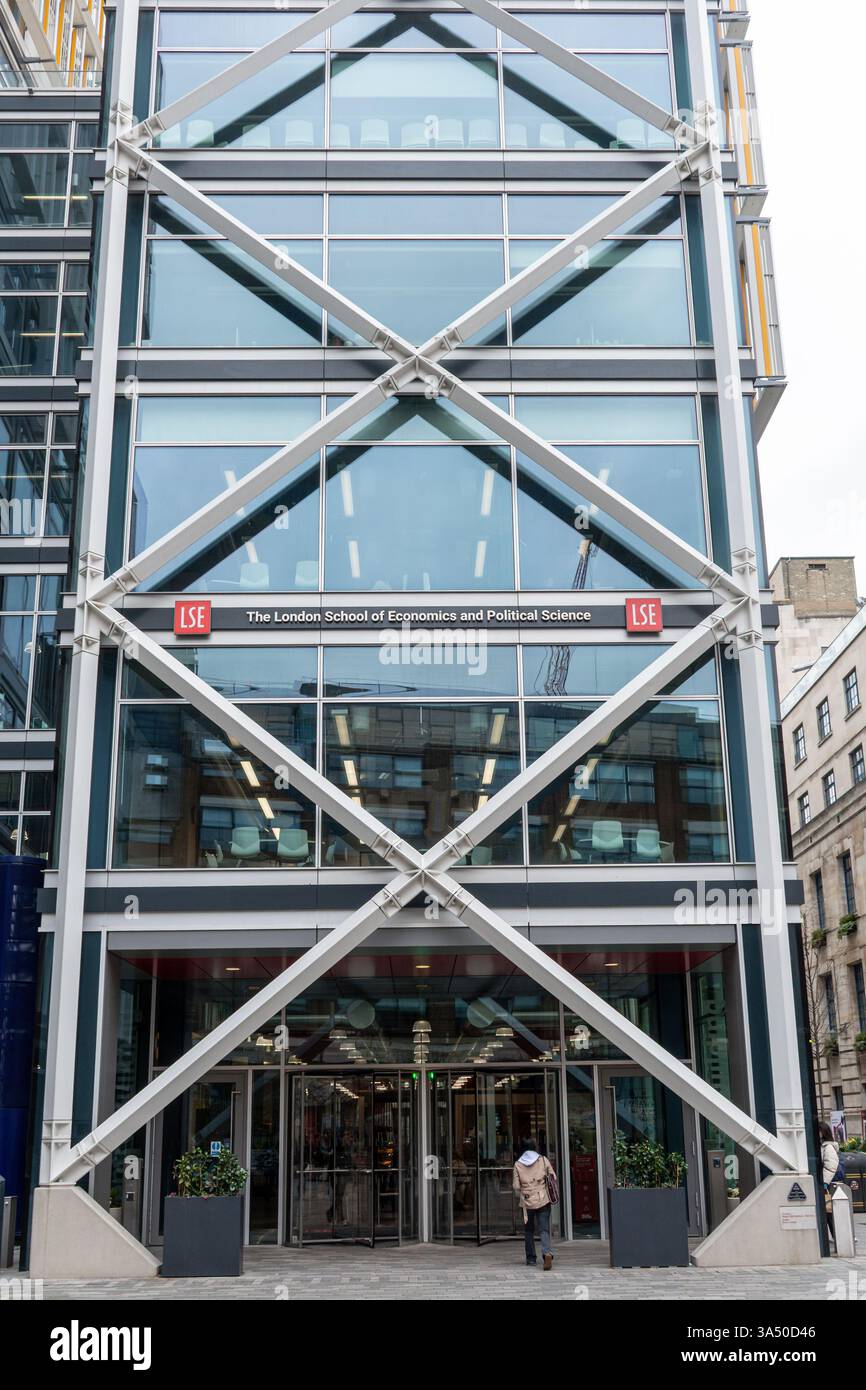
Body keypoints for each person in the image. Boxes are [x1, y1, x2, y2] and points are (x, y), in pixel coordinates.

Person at [513, 1136, 556, 1269]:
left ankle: (531, 1258)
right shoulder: (543, 1160)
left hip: (527, 1202)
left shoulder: (518, 1164)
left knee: (528, 1230)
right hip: (543, 1199)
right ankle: (546, 1253)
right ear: (534, 1147)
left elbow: (515, 1186)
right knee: (544, 1229)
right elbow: (553, 1177)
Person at [819, 1120, 842, 1245]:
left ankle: (838, 1235)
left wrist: (824, 1182)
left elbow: (831, 1166)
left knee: (829, 1212)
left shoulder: (828, 1147)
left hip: (825, 1184)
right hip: (824, 1183)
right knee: (827, 1212)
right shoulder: (822, 1145)